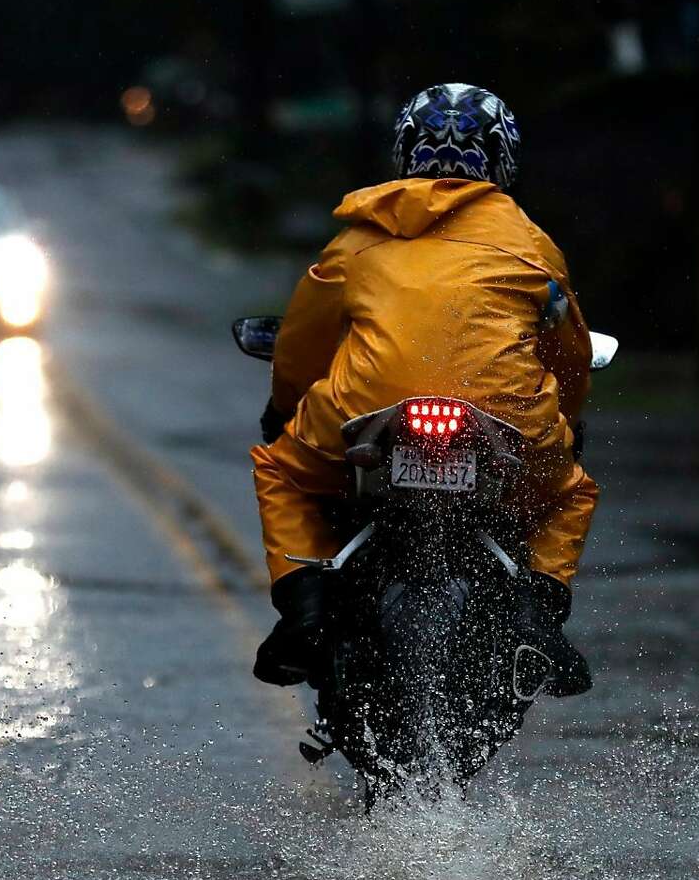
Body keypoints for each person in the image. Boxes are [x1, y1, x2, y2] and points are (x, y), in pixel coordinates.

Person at [249, 82, 598, 696]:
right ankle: (537, 620)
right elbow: (568, 356)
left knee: (283, 473)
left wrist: (283, 412)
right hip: (505, 421)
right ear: (504, 161)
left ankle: (304, 613)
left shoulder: (357, 238)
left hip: (365, 414)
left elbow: (301, 344)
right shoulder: (533, 246)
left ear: (403, 152)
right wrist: (568, 431)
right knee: (568, 494)